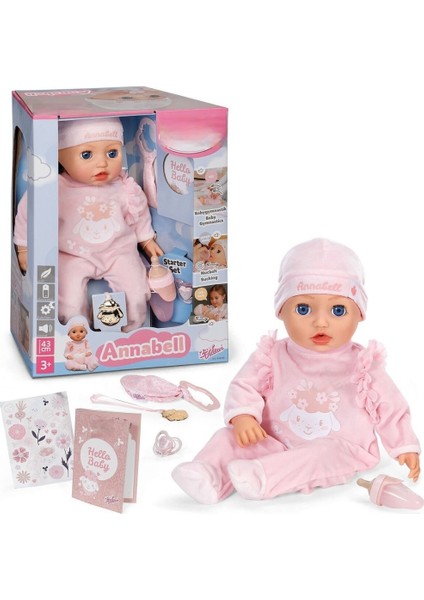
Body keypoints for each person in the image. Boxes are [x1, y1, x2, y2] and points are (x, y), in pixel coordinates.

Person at [172, 238, 421, 504]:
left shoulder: (364, 364)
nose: (320, 321)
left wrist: (404, 445)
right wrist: (244, 416)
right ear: (282, 311)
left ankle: (263, 477)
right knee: (228, 437)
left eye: (338, 310)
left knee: (322, 454)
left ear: (359, 314)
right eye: (304, 309)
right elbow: (245, 385)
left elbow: (390, 407)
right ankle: (207, 474)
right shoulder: (272, 354)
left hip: (342, 449)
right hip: (274, 440)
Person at [13, 117, 163, 332]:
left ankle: (131, 333)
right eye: (86, 155)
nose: (102, 163)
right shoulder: (54, 188)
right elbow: (29, 213)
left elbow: (138, 214)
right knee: (69, 299)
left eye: (112, 153)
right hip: (71, 256)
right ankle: (75, 333)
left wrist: (146, 240)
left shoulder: (124, 186)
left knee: (137, 290)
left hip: (118, 252)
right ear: (60, 155)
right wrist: (24, 247)